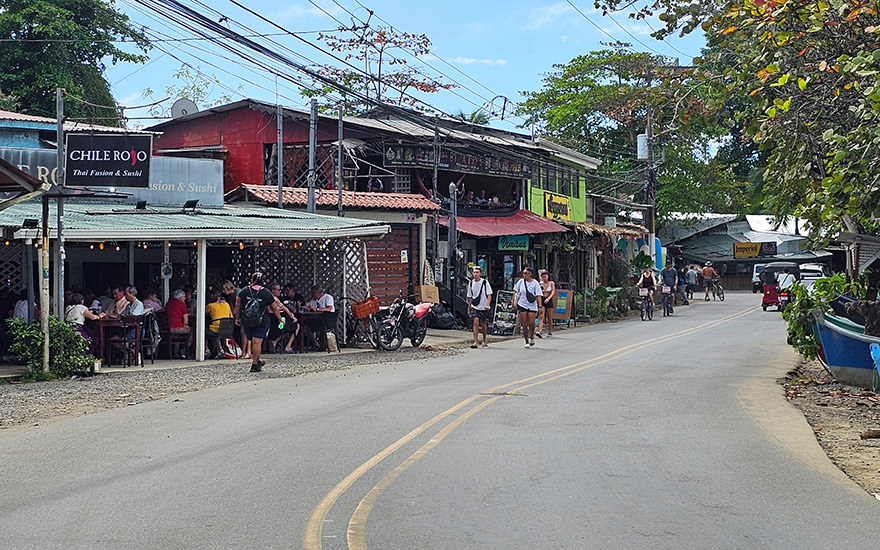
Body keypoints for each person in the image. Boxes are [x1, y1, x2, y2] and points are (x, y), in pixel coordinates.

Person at [234, 271, 281, 372]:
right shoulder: (266, 292)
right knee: (257, 342)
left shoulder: (244, 291)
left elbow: (238, 305)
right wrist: (280, 319)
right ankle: (255, 364)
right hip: (262, 320)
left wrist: (237, 318)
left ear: (251, 280)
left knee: (252, 340)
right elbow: (274, 308)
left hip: (247, 320)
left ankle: (256, 361)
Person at [514, 267, 542, 348]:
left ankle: (532, 336)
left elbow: (538, 295)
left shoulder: (535, 283)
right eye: (523, 273)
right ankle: (526, 340)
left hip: (532, 305)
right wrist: (514, 302)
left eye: (526, 273)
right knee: (524, 323)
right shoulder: (520, 282)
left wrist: (540, 305)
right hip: (522, 304)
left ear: (530, 274)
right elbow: (516, 292)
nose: (524, 275)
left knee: (531, 322)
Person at [267, 283, 298, 354]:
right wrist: (293, 317)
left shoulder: (267, 298)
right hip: (280, 322)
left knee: (286, 329)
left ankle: (275, 342)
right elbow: (284, 308)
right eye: (278, 290)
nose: (280, 291)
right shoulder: (275, 299)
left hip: (272, 323)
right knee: (297, 326)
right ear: (273, 290)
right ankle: (288, 347)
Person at [466, 266, 493, 348]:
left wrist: (487, 304)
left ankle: (484, 339)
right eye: (474, 272)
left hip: (483, 306)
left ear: (480, 273)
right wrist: (469, 308)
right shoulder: (471, 283)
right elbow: (470, 297)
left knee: (483, 323)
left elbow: (489, 295)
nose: (475, 274)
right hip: (475, 306)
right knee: (475, 321)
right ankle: (475, 340)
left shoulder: (485, 282)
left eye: (477, 272)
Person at [205, 288, 232, 359]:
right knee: (216, 333)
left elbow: (205, 314)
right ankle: (220, 350)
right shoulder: (226, 304)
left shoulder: (210, 306)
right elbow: (231, 316)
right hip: (228, 329)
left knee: (205, 332)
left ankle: (206, 349)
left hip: (216, 329)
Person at [305, 285, 335, 350]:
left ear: (319, 293)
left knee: (319, 329)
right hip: (317, 320)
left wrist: (317, 309)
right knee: (305, 327)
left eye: (313, 293)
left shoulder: (328, 297)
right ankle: (316, 344)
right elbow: (310, 306)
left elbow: (329, 309)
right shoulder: (313, 299)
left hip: (328, 320)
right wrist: (307, 306)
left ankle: (324, 346)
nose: (312, 294)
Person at [165, 289, 191, 358]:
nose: (185, 298)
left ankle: (176, 351)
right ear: (180, 298)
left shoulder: (168, 303)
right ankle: (184, 350)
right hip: (176, 328)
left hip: (167, 328)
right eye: (184, 297)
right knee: (193, 331)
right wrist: (185, 325)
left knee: (180, 332)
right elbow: (186, 320)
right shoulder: (182, 305)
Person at [537, 269, 555, 338]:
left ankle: (550, 331)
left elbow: (553, 292)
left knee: (549, 317)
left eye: (545, 276)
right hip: (542, 298)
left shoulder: (551, 283)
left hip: (548, 299)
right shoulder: (540, 284)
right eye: (543, 276)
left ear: (548, 276)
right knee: (541, 315)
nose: (544, 278)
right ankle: (540, 331)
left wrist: (548, 298)